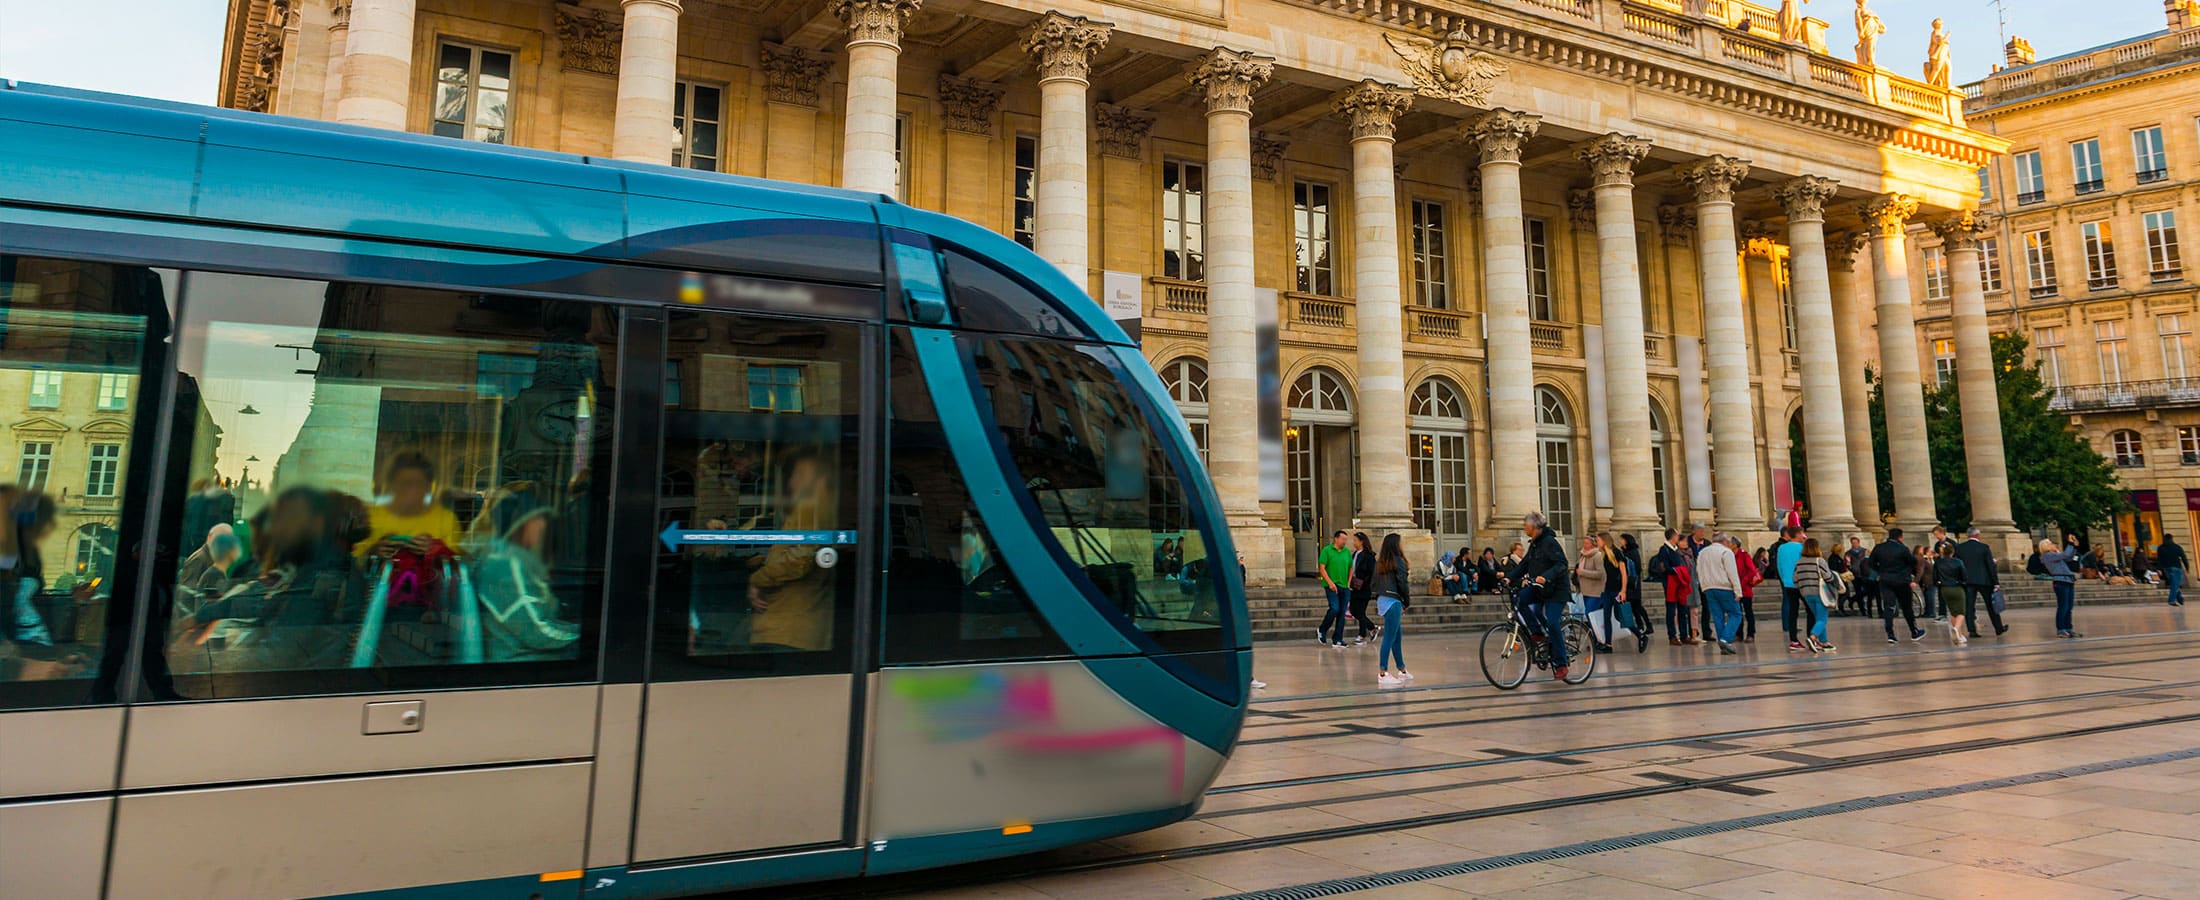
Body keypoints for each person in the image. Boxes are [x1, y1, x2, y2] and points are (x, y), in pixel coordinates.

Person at [471, 485, 580, 661]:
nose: (543, 526)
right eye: (538, 520)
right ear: (520, 524)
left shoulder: (501, 556)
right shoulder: (505, 565)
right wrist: (580, 636)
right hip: (520, 657)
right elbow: (535, 631)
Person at [746, 453, 838, 651]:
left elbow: (799, 560)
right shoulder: (824, 510)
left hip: (785, 626)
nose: (792, 482)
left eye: (801, 475)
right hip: (801, 626)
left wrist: (758, 579)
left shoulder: (810, 509)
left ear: (820, 480)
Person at [353, 451, 462, 559]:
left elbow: (457, 566)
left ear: (429, 487)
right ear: (391, 485)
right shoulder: (369, 516)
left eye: (418, 484)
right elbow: (350, 562)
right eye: (405, 483)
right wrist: (372, 552)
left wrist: (435, 550)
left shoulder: (446, 519)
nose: (411, 490)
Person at [1510, 512, 1574, 681]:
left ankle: (1561, 664)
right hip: (1540, 589)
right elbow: (1524, 565)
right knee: (1521, 599)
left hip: (1556, 591)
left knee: (1553, 622)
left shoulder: (1549, 542)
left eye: (1526, 525)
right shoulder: (1535, 544)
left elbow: (1562, 564)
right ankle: (1537, 633)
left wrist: (1546, 576)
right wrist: (1508, 577)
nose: (1525, 527)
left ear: (1535, 526)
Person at [1870, 528, 1926, 643]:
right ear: (1900, 537)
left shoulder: (1879, 548)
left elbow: (1871, 563)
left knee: (1889, 607)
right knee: (1906, 607)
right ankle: (1914, 631)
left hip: (1885, 580)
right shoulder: (1903, 549)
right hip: (1902, 580)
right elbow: (1913, 562)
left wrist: (1881, 571)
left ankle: (1890, 634)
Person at [1373, 533, 1414, 685]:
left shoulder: (1381, 562)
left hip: (1383, 599)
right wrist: (1406, 600)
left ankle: (1402, 669)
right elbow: (1403, 583)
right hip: (1394, 601)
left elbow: (1373, 583)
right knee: (1390, 637)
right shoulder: (1399, 561)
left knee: (1396, 636)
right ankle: (1382, 673)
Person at [1952, 528, 2009, 636]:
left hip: (1967, 581)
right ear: (1978, 535)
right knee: (1991, 605)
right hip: (1984, 580)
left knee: (1969, 606)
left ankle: (1972, 630)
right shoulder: (1984, 547)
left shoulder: (1960, 548)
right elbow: (1990, 566)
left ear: (1967, 535)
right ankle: (1998, 627)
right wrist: (1996, 582)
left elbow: (1957, 565)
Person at [1696, 534, 1742, 654]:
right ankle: (1725, 639)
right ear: (1724, 541)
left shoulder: (1702, 552)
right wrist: (1738, 590)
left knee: (1718, 616)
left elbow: (1699, 570)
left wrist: (1703, 586)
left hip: (1708, 587)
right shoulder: (1726, 552)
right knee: (1736, 614)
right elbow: (1732, 572)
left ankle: (1723, 646)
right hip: (1724, 587)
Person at [1650, 528, 1696, 645]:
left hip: (1679, 583)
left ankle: (1684, 634)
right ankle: (1672, 636)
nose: (1678, 537)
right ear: (1672, 537)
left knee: (1683, 609)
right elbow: (1663, 567)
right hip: (1670, 582)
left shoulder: (1676, 550)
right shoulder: (1664, 550)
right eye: (1677, 535)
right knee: (1671, 610)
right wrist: (1677, 571)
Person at [1793, 537, 1838, 651]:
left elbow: (1795, 579)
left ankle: (1824, 642)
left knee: (1818, 618)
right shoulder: (1819, 561)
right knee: (1822, 619)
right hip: (1820, 592)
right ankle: (1812, 637)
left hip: (1806, 594)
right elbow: (1828, 577)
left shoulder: (1799, 562)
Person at [2038, 537, 2083, 638]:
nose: (2054, 545)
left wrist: (2074, 547)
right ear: (2046, 546)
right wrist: (2070, 544)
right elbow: (2065, 554)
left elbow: (2069, 558)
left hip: (2068, 580)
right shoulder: (2047, 556)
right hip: (2060, 581)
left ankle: (2069, 628)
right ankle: (2061, 629)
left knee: (2069, 607)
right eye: (2051, 543)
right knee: (2063, 606)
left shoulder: (2055, 556)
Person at [1774, 526, 1809, 651]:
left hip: (1788, 583)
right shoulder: (1802, 548)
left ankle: (1793, 640)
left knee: (1792, 612)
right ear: (1799, 534)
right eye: (1802, 533)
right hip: (1802, 583)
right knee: (1810, 610)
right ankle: (1811, 637)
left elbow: (1779, 565)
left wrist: (1784, 579)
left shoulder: (1781, 548)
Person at [1930, 539, 1969, 645]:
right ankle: (1956, 628)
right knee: (1961, 612)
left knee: (1953, 612)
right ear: (1952, 551)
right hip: (1957, 587)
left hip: (1944, 588)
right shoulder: (1958, 562)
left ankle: (1959, 636)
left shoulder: (1938, 563)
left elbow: (1934, 577)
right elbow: (1964, 576)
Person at [1318, 530, 1352, 648]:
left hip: (1344, 586)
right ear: (1336, 539)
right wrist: (1330, 583)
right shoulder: (1327, 550)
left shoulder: (1347, 552)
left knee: (1342, 613)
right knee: (1334, 608)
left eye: (1345, 540)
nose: (1344, 542)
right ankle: (1322, 629)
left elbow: (1351, 568)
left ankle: (1338, 639)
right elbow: (1322, 568)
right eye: (1342, 539)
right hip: (1331, 585)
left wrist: (1348, 582)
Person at [1575, 535, 1608, 652]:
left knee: (1590, 615)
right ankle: (1595, 640)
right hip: (1586, 591)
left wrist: (1582, 572)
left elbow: (1600, 574)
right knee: (1590, 617)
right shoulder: (1583, 555)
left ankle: (1599, 640)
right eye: (1584, 543)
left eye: (1587, 543)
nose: (1585, 545)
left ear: (1593, 544)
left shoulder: (1597, 555)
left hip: (1596, 591)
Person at [1620, 532, 1652, 651]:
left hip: (1632, 584)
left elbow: (1637, 568)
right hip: (1631, 584)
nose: (1620, 541)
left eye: (1622, 540)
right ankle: (1641, 626)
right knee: (1635, 607)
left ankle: (1644, 626)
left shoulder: (1631, 553)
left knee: (1636, 606)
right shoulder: (1627, 552)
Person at [1349, 532, 1377, 645]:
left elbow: (1372, 572)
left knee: (1360, 611)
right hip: (1355, 586)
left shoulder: (1368, 555)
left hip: (1364, 587)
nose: (1353, 542)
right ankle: (1371, 628)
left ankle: (1362, 635)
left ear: (1361, 541)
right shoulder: (1355, 553)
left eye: (1355, 540)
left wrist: (1365, 582)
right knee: (1354, 611)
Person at [1735, 536, 1761, 644]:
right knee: (1737, 612)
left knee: (1748, 612)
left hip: (1745, 588)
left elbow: (1751, 570)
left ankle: (1751, 634)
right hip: (1736, 588)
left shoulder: (1744, 555)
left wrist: (1743, 581)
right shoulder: (1730, 555)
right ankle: (1739, 634)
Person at [1844, 536, 1873, 616]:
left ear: (1859, 542)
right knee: (1858, 591)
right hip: (1855, 574)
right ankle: (1862, 609)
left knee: (1867, 591)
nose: (1854, 544)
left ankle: (1853, 599)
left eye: (1856, 542)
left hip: (1865, 574)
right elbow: (1846, 564)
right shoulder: (1848, 553)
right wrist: (1849, 564)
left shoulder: (1865, 551)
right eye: (1853, 543)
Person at [2157, 532, 2187, 607]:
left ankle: (2180, 599)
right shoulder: (2176, 547)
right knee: (2175, 584)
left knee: (2174, 584)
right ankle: (2171, 600)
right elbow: (2183, 557)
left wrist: (2159, 569)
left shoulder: (2160, 548)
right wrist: (2187, 567)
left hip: (2166, 568)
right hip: (2176, 567)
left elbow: (2159, 559)